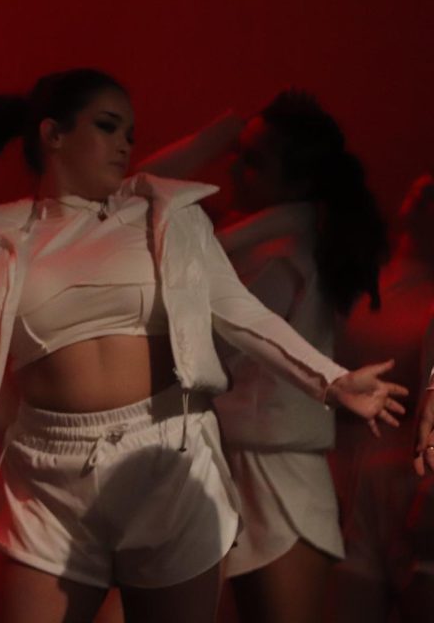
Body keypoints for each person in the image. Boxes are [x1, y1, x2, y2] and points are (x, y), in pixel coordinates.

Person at [0, 69, 407, 623]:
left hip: (167, 456)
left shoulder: (164, 217)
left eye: (130, 135)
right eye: (108, 127)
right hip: (47, 474)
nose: (124, 145)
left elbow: (237, 310)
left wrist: (330, 379)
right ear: (53, 134)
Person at [138, 91, 389, 623]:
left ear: (296, 183)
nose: (233, 169)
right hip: (222, 462)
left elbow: (202, 354)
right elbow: (130, 198)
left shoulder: (280, 259)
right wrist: (225, 129)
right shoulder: (247, 248)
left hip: (280, 477)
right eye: (236, 153)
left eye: (252, 159)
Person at [327, 173, 434, 622]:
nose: (421, 193)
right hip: (340, 473)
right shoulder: (363, 279)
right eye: (418, 188)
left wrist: (422, 506)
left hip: (402, 484)